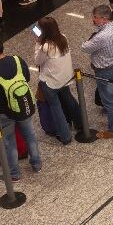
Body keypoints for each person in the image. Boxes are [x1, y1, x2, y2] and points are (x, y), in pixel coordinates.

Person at [0, 38, 41, 179]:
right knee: (30, 134)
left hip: (2, 113)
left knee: (8, 142)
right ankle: (36, 164)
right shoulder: (18, 60)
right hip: (22, 105)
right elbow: (27, 78)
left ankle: (14, 173)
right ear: (2, 48)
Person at [32, 16, 82, 145]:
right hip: (66, 78)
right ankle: (81, 123)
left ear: (44, 32)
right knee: (69, 99)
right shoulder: (63, 38)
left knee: (56, 107)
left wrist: (38, 43)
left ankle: (65, 136)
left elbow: (37, 61)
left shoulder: (45, 46)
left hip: (51, 83)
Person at [81, 5, 113, 139]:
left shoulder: (101, 37)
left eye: (95, 18)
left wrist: (89, 39)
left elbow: (85, 47)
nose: (93, 20)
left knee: (108, 100)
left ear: (104, 18)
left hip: (104, 71)